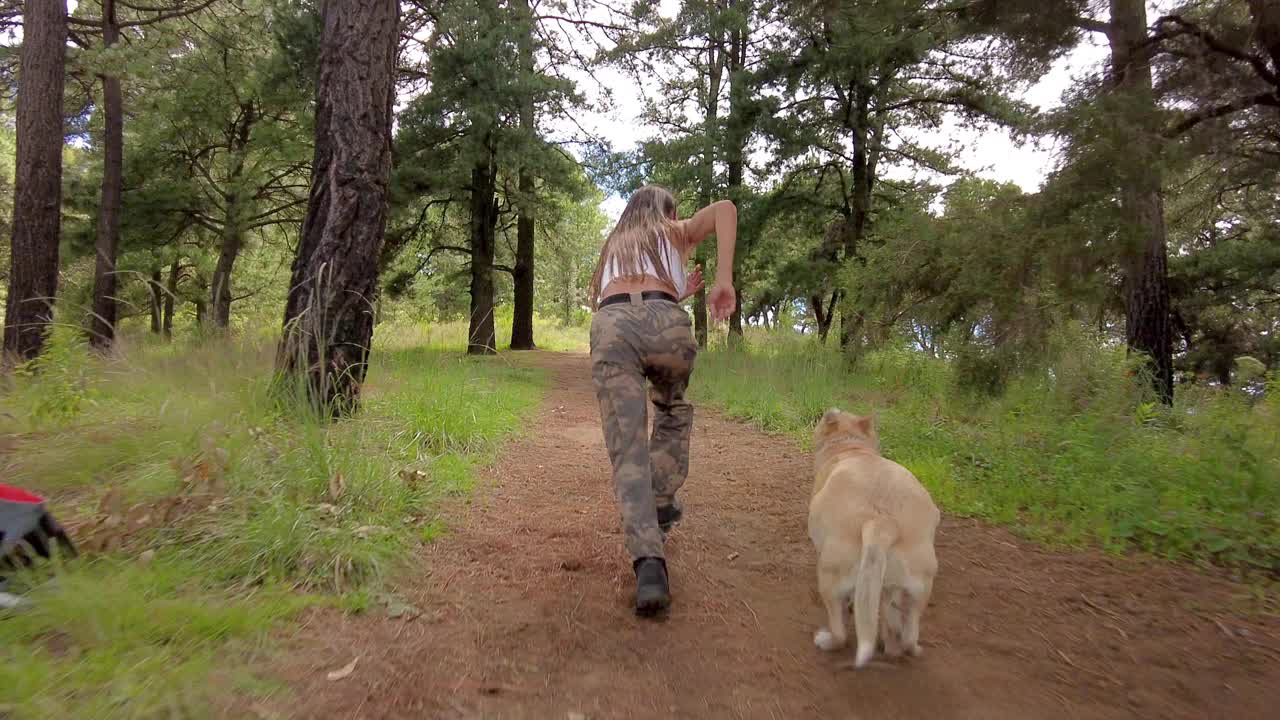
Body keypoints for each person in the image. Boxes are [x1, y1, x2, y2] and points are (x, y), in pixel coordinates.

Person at [587, 185, 737, 616]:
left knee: (628, 447)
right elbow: (725, 209)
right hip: (666, 324)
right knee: (672, 408)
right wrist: (721, 281)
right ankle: (662, 497)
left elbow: (624, 297)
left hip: (613, 324)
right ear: (666, 210)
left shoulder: (616, 242)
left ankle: (650, 565)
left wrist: (675, 291)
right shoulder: (673, 230)